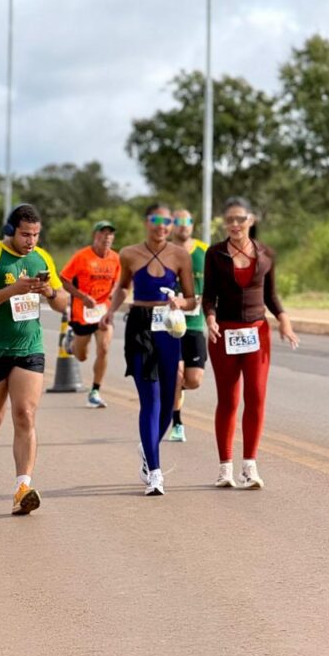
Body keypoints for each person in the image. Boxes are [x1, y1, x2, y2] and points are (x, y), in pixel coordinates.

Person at [0, 203, 69, 514]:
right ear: (11, 231)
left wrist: (49, 292)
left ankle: (22, 488)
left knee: (25, 414)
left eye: (36, 235)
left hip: (30, 347)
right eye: (25, 234)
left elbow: (63, 302)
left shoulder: (42, 257)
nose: (31, 241)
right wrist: (13, 289)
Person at [202, 197, 299, 489]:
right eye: (229, 220)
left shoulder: (266, 253)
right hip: (224, 334)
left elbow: (271, 295)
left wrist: (284, 320)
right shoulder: (215, 253)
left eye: (240, 219)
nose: (234, 224)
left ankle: (250, 467)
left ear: (251, 220)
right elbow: (209, 296)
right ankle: (225, 468)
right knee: (228, 400)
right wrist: (210, 319)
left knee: (255, 397)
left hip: (257, 333)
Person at [102, 203, 195, 496]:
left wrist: (180, 302)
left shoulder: (180, 255)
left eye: (167, 222)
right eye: (156, 220)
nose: (162, 226)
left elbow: (191, 299)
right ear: (147, 222)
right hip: (140, 326)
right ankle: (155, 472)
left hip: (168, 327)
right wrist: (110, 312)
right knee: (150, 399)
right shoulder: (129, 254)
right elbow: (123, 287)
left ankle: (148, 445)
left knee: (169, 397)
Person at [59, 220, 122, 408]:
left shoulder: (116, 259)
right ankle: (71, 342)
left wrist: (113, 295)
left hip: (103, 312)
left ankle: (95, 391)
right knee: (81, 356)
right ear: (95, 236)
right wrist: (82, 297)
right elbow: (64, 279)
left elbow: (120, 282)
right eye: (103, 233)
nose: (107, 237)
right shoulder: (82, 257)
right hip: (82, 313)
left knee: (104, 348)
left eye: (110, 234)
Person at [165, 209, 209, 442]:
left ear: (192, 224)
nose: (183, 225)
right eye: (179, 221)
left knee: (193, 380)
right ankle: (177, 423)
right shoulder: (163, 251)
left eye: (187, 221)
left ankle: (174, 391)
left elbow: (215, 285)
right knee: (176, 373)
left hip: (194, 324)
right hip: (170, 325)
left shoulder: (204, 251)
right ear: (172, 224)